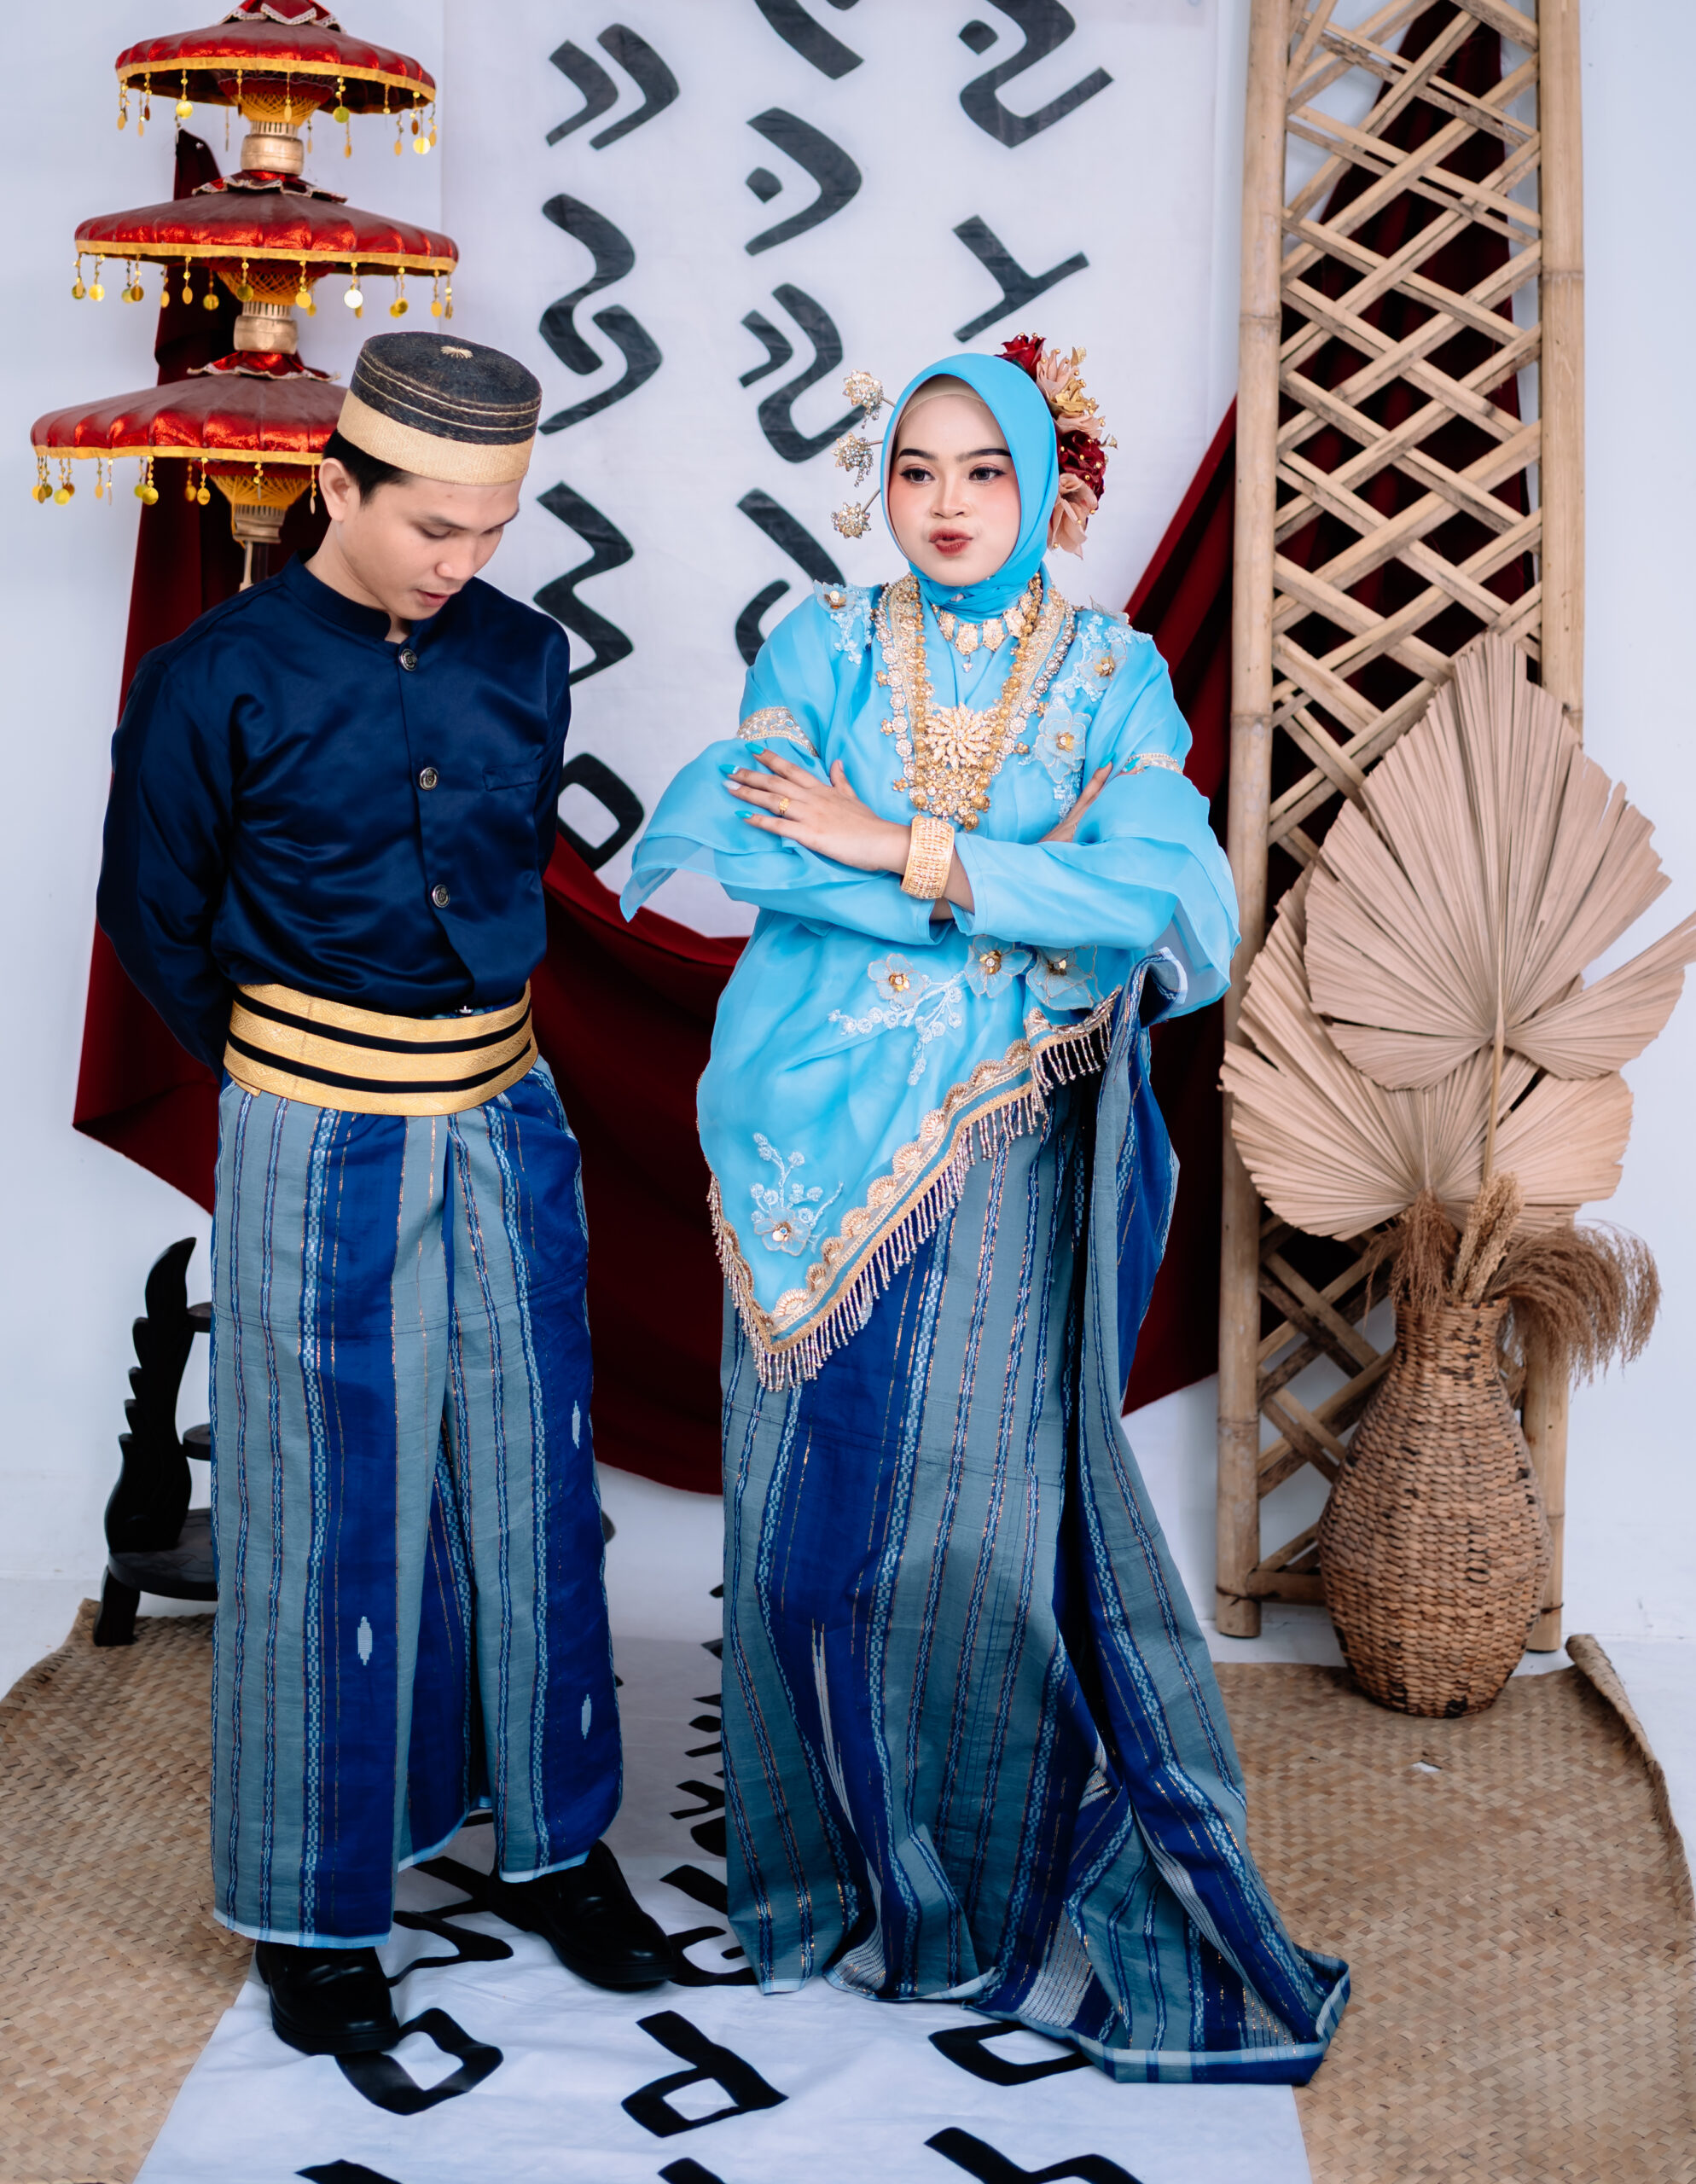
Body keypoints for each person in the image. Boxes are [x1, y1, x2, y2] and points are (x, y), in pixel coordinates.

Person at [622, 345, 1348, 2081]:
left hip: (999, 1143)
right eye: (916, 470)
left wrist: (898, 849)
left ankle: (978, 1877)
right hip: (797, 1142)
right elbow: (749, 842)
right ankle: (810, 1877)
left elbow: (1154, 896)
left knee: (970, 1528)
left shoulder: (1109, 673)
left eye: (984, 472)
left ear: (1047, 492)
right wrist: (1000, 893)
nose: (945, 505)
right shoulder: (818, 643)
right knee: (798, 1531)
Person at [97, 333, 670, 2059]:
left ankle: (554, 1845)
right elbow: (155, 916)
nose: (461, 559)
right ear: (334, 483)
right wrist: (289, 1069)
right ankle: (315, 1906)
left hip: (507, 1105)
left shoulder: (524, 655)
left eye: (491, 527)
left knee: (532, 1480)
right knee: (318, 1504)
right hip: (308, 1116)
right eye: (432, 523)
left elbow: (504, 868)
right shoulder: (215, 675)